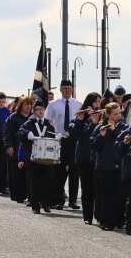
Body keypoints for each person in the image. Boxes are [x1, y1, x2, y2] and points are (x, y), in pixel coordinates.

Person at [44, 79, 82, 209]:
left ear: (72, 89)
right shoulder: (53, 105)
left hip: (73, 140)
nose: (67, 90)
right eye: (65, 88)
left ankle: (73, 201)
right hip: (58, 139)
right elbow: (47, 121)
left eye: (69, 88)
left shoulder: (78, 104)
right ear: (60, 89)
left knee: (74, 170)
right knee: (58, 171)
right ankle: (59, 200)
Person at [91, 102, 126, 231]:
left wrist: (115, 130)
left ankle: (119, 219)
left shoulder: (122, 126)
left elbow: (126, 141)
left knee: (119, 194)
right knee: (106, 195)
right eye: (116, 114)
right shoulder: (100, 127)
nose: (119, 116)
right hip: (104, 166)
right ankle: (105, 221)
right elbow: (94, 147)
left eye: (120, 113)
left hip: (119, 165)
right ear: (109, 115)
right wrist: (101, 136)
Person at [17, 104, 57, 214]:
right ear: (34, 112)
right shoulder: (29, 123)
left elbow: (53, 136)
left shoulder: (48, 124)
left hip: (47, 159)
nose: (41, 111)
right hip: (33, 158)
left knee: (49, 181)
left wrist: (57, 138)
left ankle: (46, 204)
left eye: (42, 109)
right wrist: (27, 133)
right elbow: (19, 134)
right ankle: (35, 205)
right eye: (38, 109)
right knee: (34, 183)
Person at [69, 92, 102, 225]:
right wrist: (80, 120)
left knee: (98, 188)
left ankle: (99, 215)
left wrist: (96, 120)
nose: (97, 105)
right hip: (83, 157)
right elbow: (76, 134)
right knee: (87, 188)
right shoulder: (80, 116)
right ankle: (87, 216)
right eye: (95, 102)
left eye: (99, 102)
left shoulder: (101, 116)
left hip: (98, 157)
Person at [4, 96, 33, 203]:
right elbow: (8, 133)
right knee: (17, 174)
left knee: (29, 174)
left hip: (30, 150)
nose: (29, 106)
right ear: (21, 105)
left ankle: (30, 195)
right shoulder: (13, 118)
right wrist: (9, 146)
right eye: (26, 104)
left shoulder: (33, 117)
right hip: (16, 148)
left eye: (30, 104)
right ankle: (18, 195)